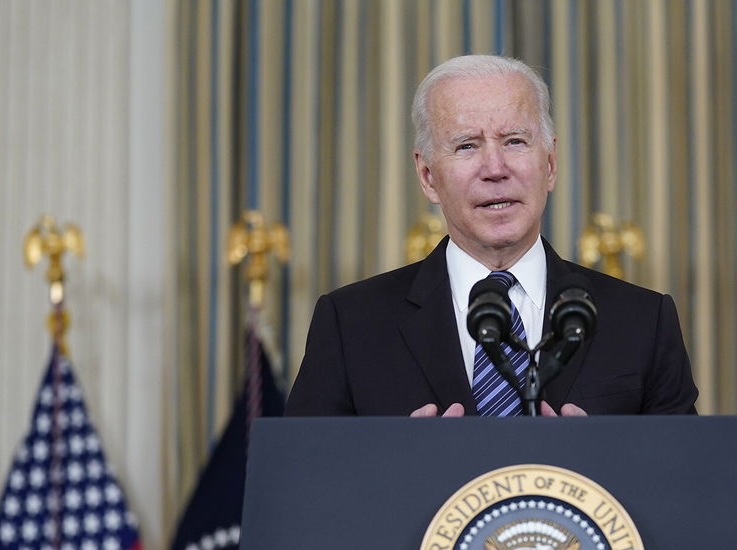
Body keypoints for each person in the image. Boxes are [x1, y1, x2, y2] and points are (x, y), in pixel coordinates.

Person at [285, 54, 698, 417]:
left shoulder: (643, 321)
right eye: (467, 146)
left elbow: (684, 487)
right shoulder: (350, 324)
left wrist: (594, 463)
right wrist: (402, 468)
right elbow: (302, 486)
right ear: (428, 177)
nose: (495, 168)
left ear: (550, 164)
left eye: (515, 141)